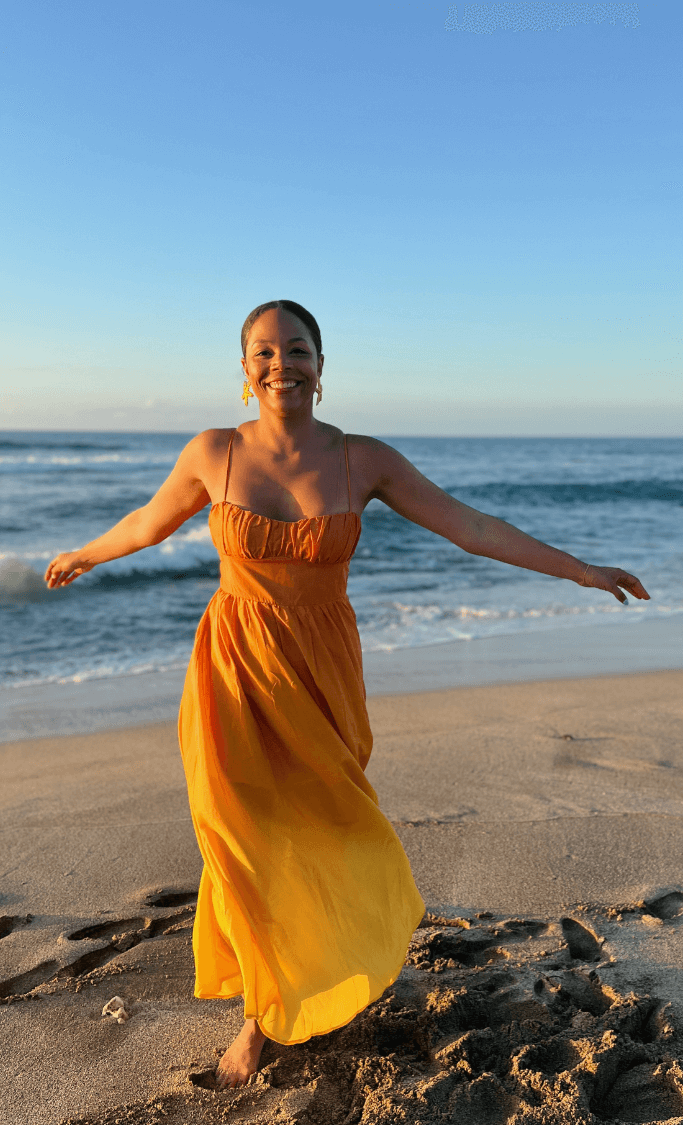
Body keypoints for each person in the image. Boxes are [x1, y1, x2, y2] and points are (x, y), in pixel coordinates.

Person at [45, 299, 650, 1088]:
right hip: (234, 665)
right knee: (239, 831)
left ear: (321, 367)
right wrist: (85, 555)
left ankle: (341, 954)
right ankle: (261, 1018)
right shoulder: (213, 451)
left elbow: (469, 525)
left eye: (296, 350)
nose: (280, 364)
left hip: (322, 670)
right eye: (263, 351)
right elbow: (147, 523)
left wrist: (582, 568)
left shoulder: (363, 459)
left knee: (327, 823)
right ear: (243, 368)